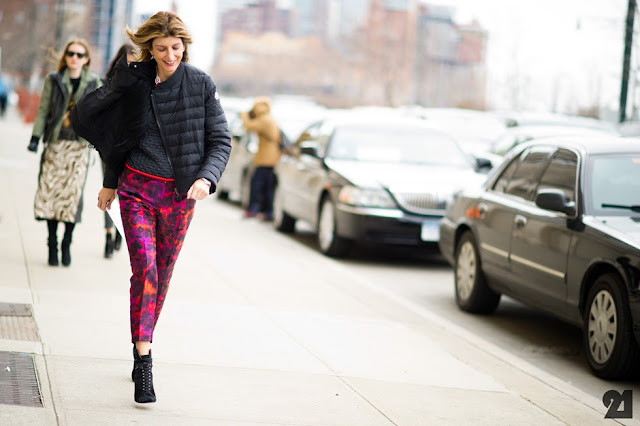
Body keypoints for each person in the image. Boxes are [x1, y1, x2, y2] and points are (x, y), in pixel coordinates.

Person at [70, 11, 231, 404]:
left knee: (162, 276)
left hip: (180, 196)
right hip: (137, 190)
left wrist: (206, 178)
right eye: (161, 49)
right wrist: (110, 183)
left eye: (176, 48)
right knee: (145, 268)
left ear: (184, 46)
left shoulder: (200, 84)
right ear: (150, 49)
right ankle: (145, 361)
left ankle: (140, 339)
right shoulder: (136, 82)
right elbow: (117, 138)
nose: (170, 55)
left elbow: (220, 139)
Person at [27, 39, 102, 266]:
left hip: (79, 148)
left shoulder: (94, 82)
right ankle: (52, 243)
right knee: (50, 195)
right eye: (71, 53)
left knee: (71, 198)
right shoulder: (54, 79)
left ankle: (66, 242)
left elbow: (99, 113)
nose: (74, 58)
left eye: (79, 55)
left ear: (86, 59)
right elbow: (43, 110)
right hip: (56, 144)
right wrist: (35, 137)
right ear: (65, 56)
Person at [101, 43, 134, 258]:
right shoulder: (107, 85)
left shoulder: (141, 86)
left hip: (131, 149)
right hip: (109, 147)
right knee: (109, 189)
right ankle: (108, 234)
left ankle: (121, 232)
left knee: (126, 193)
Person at [240, 97, 281, 221]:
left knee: (256, 185)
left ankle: (254, 209)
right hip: (270, 158)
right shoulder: (269, 118)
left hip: (265, 159)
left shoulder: (264, 119)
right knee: (267, 187)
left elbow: (249, 126)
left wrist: (244, 115)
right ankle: (267, 212)